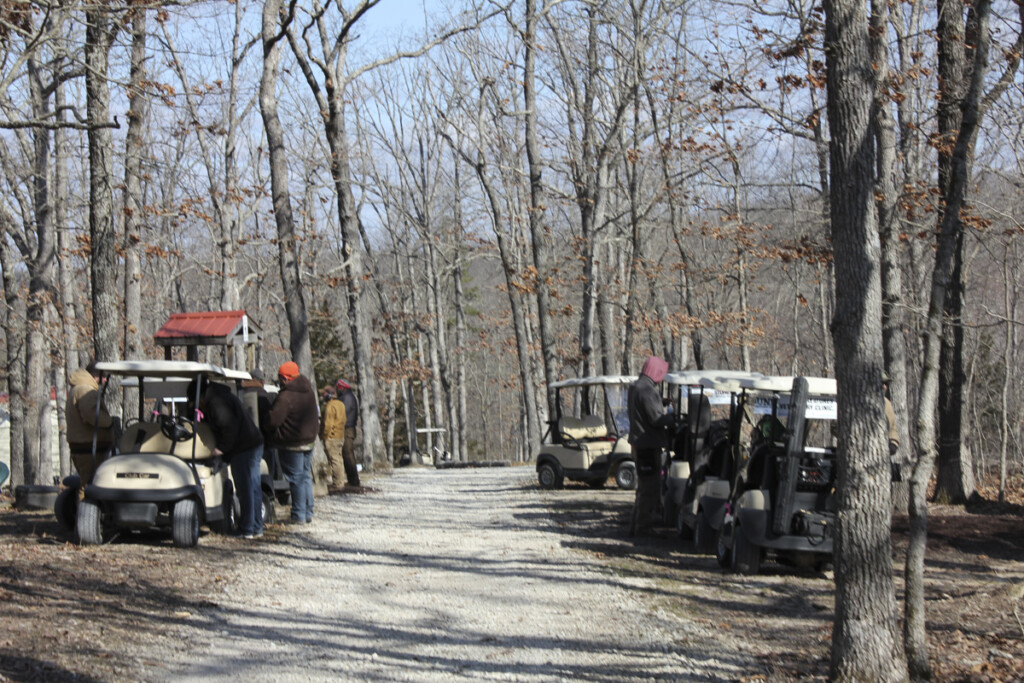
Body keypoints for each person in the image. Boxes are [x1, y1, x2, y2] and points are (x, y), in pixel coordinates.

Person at [192, 378, 265, 539]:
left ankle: (246, 528)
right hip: (253, 443)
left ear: (200, 397)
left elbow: (228, 427)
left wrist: (221, 449)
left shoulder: (216, 403)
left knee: (245, 488)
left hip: (243, 447)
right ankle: (256, 527)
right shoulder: (221, 396)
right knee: (253, 487)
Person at [264, 361, 319, 524]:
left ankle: (298, 514)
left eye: (280, 377)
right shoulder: (308, 390)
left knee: (296, 479)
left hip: (291, 443)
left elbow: (273, 420)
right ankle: (308, 511)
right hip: (309, 441)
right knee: (305, 476)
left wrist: (266, 420)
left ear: (286, 378)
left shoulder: (286, 396)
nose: (280, 380)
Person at [627, 356, 675, 537]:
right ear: (657, 372)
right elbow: (656, 419)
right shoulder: (647, 390)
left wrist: (660, 402)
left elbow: (644, 408)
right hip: (648, 445)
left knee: (642, 487)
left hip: (639, 444)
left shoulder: (635, 387)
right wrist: (672, 418)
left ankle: (635, 524)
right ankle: (643, 527)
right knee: (650, 488)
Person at [66, 367, 115, 488]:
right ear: (96, 376)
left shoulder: (77, 389)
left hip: (82, 445)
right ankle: (85, 501)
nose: (105, 380)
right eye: (103, 377)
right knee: (89, 486)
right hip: (89, 448)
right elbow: (91, 414)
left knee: (87, 482)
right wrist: (110, 422)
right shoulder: (86, 390)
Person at [334, 378, 361, 487]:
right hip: (347, 428)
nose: (336, 389)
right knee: (347, 454)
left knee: (348, 454)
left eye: (337, 387)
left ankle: (354, 480)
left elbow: (342, 413)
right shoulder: (347, 397)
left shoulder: (347, 398)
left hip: (347, 428)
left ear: (341, 387)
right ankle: (352, 479)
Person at [883, 372, 901, 481]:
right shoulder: (856, 402)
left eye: (886, 383)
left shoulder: (887, 404)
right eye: (881, 383)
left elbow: (893, 427)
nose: (884, 386)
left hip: (883, 454)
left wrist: (893, 443)